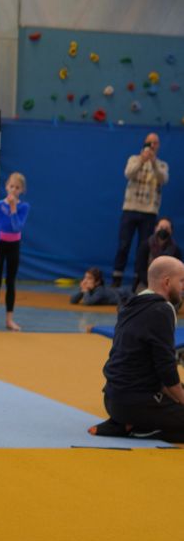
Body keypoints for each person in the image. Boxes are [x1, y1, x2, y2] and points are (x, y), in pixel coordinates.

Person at [91, 255, 184, 442]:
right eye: (181, 281)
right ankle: (136, 428)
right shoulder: (162, 310)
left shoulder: (131, 304)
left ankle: (123, 422)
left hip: (112, 399)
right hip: (134, 404)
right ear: (167, 282)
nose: (183, 287)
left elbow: (149, 366)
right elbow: (166, 368)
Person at [111, 133, 169, 287]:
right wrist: (142, 160)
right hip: (130, 208)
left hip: (149, 212)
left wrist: (153, 162)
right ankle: (117, 278)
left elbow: (163, 179)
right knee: (124, 244)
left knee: (143, 247)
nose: (152, 145)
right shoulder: (134, 159)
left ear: (158, 145)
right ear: (144, 143)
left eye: (155, 143)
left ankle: (139, 279)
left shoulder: (162, 165)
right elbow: (128, 173)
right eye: (149, 142)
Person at [0, 172, 29, 331]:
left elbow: (17, 227)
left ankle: (9, 319)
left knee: (10, 282)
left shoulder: (24, 207)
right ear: (6, 187)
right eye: (11, 186)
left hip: (13, 246)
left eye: (17, 187)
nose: (13, 190)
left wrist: (13, 208)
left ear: (22, 190)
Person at [132, 217, 181, 293]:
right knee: (145, 297)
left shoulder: (176, 250)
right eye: (161, 227)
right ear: (155, 228)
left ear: (171, 231)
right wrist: (154, 284)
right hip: (146, 283)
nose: (163, 230)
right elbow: (140, 270)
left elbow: (177, 273)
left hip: (167, 285)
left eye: (167, 228)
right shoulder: (145, 246)